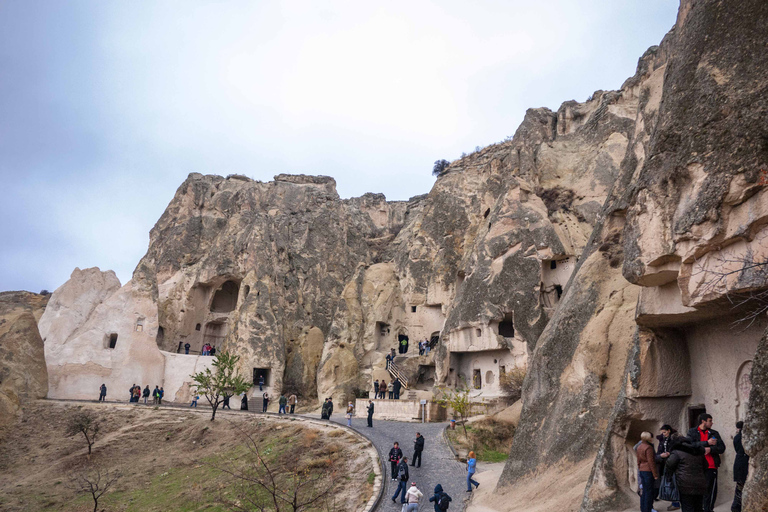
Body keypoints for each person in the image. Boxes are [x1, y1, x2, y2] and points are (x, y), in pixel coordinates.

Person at [686, 413, 725, 512]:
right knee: (698, 491)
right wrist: (706, 443)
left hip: (711, 466)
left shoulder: (714, 433)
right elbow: (689, 446)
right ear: (703, 421)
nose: (712, 423)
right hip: (697, 466)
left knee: (710, 491)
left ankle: (709, 509)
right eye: (710, 421)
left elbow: (721, 448)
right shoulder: (692, 432)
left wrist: (710, 449)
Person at [665, 436, 709, 512]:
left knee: (687, 507)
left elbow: (669, 465)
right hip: (700, 483)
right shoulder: (698, 451)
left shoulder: (676, 452)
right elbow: (706, 466)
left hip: (685, 484)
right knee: (698, 507)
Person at [656, 425, 681, 511]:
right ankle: (674, 501)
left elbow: (678, 450)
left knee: (675, 483)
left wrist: (670, 454)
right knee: (670, 483)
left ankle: (676, 503)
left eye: (664, 432)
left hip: (675, 463)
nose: (663, 434)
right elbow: (659, 450)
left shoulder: (674, 438)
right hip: (666, 463)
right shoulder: (662, 439)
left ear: (669, 430)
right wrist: (661, 455)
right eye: (662, 433)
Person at [636, 432, 659, 512]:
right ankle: (648, 509)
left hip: (642, 469)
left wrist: (640, 467)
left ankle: (643, 509)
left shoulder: (639, 446)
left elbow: (638, 460)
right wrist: (655, 474)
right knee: (649, 492)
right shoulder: (648, 447)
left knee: (644, 491)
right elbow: (651, 462)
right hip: (648, 471)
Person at [732, 421, 749, 512]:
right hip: (743, 463)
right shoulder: (744, 437)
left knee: (739, 486)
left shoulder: (736, 437)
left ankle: (737, 506)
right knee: (741, 486)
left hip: (738, 462)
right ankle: (736, 507)